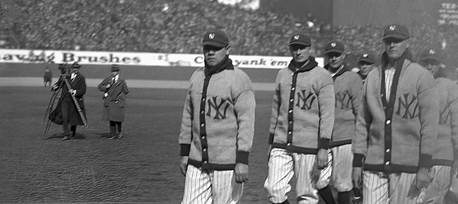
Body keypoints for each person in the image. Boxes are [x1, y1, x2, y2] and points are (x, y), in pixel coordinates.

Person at [352, 24, 438, 204]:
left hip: (408, 165)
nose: (392, 45)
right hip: (374, 163)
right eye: (389, 41)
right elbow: (362, 122)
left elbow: (429, 125)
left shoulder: (421, 76)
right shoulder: (373, 77)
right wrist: (357, 162)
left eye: (397, 41)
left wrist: (425, 166)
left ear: (407, 43)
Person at [178, 30, 256, 204]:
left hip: (227, 164)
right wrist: (184, 153)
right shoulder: (196, 77)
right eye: (207, 48)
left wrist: (242, 160)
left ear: (227, 49)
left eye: (216, 48)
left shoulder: (239, 79)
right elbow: (187, 117)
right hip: (197, 161)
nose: (210, 52)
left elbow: (246, 124)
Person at [264, 33, 335, 204]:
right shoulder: (282, 74)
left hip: (309, 145)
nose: (298, 51)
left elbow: (327, 114)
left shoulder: (322, 76)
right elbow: (276, 110)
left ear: (309, 49)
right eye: (294, 48)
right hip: (281, 143)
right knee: (274, 190)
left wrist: (324, 147)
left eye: (302, 47)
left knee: (307, 195)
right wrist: (270, 142)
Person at [416, 48, 458, 204]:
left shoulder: (450, 86)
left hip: (442, 156)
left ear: (440, 65)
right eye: (426, 63)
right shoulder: (416, 85)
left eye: (433, 63)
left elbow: (456, 123)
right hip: (417, 158)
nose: (429, 67)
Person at [323, 40, 363, 204]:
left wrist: (360, 138)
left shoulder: (352, 78)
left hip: (345, 137)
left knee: (342, 184)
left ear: (343, 56)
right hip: (322, 139)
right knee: (318, 181)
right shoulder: (319, 75)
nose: (333, 58)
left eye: (337, 55)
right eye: (331, 55)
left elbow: (359, 110)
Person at [52, 62, 87, 140]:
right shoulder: (65, 76)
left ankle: (72, 132)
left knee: (73, 118)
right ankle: (66, 134)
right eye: (74, 68)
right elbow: (58, 84)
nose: (75, 69)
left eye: (77, 68)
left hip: (75, 100)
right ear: (72, 68)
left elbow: (83, 90)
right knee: (65, 117)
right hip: (64, 100)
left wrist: (74, 92)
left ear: (78, 69)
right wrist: (54, 87)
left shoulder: (81, 78)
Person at [97, 64, 129, 139]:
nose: (113, 73)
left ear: (118, 72)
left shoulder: (122, 81)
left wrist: (121, 97)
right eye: (112, 71)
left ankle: (120, 132)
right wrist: (106, 87)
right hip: (110, 101)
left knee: (118, 119)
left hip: (118, 102)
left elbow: (126, 91)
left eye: (115, 71)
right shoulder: (108, 79)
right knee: (111, 119)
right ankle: (113, 134)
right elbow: (99, 87)